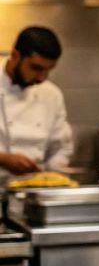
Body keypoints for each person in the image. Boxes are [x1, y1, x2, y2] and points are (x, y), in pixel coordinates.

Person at [0, 26, 73, 182]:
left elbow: (61, 148)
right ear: (15, 55)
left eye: (48, 70)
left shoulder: (51, 95)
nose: (42, 78)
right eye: (36, 68)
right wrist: (2, 158)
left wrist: (52, 176)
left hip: (33, 190)